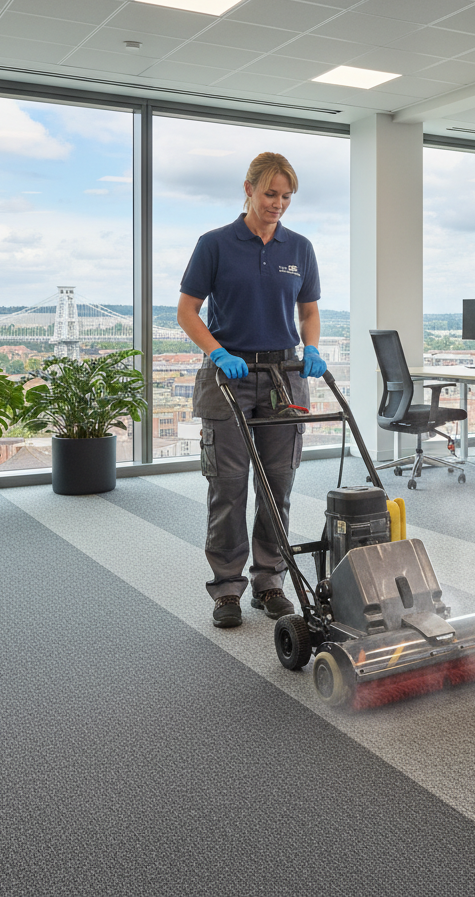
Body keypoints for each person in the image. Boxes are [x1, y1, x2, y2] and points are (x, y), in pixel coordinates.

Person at [177, 152, 328, 628]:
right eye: (270, 194)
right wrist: (218, 352)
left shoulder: (299, 248)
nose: (278, 203)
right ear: (248, 188)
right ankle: (226, 590)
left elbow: (308, 311)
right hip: (230, 377)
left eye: (286, 196)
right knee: (228, 487)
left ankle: (269, 583)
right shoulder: (215, 244)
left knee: (278, 484)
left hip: (285, 376)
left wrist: (313, 346)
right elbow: (187, 311)